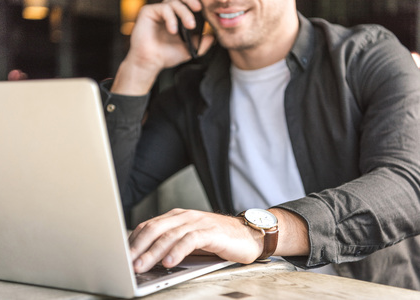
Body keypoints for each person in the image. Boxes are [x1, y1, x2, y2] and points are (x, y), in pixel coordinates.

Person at [100, 0, 420, 290]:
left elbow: (407, 186)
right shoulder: (192, 92)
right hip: (253, 291)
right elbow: (108, 194)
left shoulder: (369, 55)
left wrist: (255, 233)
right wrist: (139, 67)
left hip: (367, 292)